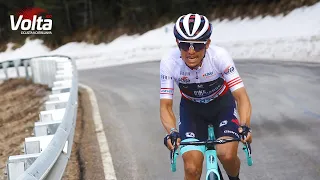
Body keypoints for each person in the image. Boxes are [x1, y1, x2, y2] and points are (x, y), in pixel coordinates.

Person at [159, 13, 252, 180]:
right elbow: (165, 105)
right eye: (185, 45)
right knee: (191, 168)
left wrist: (244, 125)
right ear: (177, 43)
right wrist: (172, 131)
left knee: (227, 155)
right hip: (192, 111)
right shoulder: (169, 62)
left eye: (198, 45)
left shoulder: (219, 56)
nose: (191, 51)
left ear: (207, 44)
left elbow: (241, 97)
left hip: (221, 106)